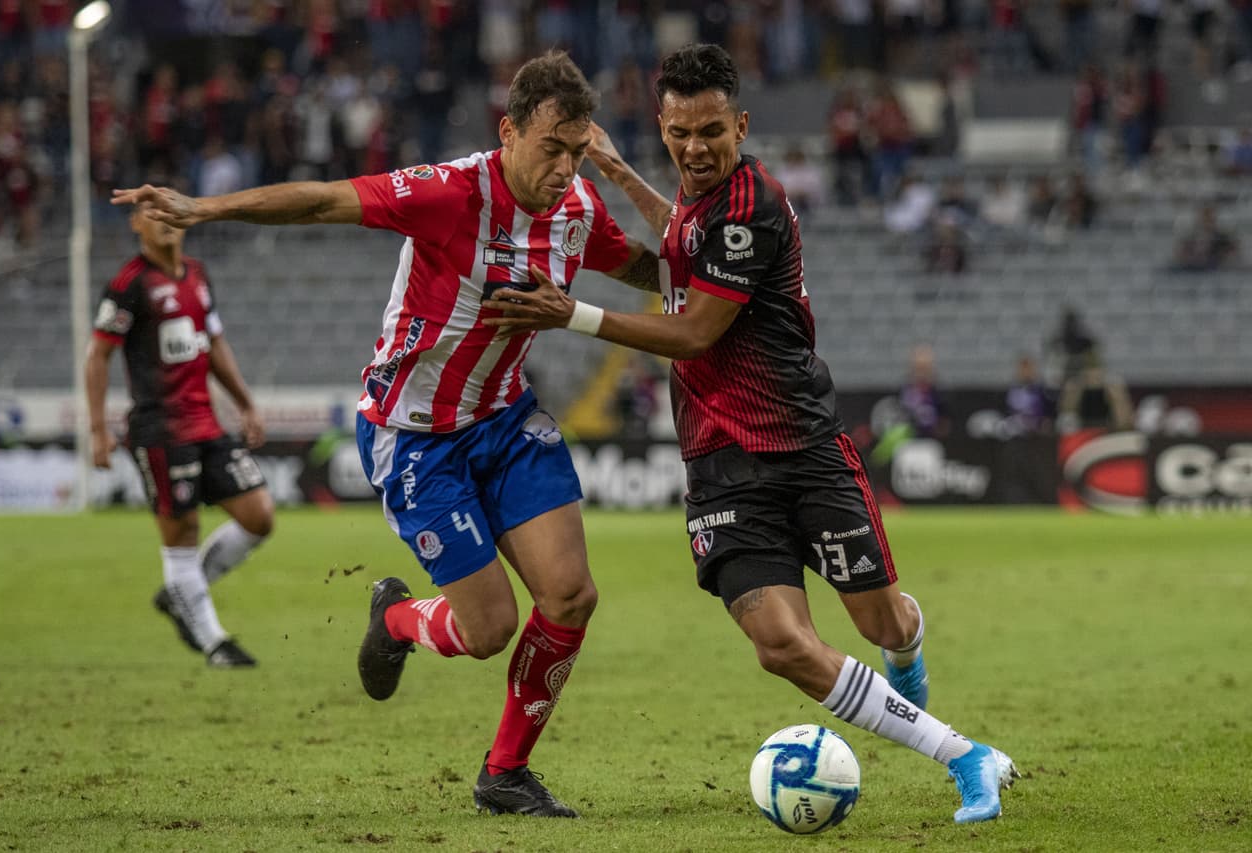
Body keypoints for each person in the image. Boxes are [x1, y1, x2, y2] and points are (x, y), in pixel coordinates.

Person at [112, 51, 659, 818]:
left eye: (576, 151)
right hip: (416, 437)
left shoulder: (577, 209)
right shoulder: (450, 192)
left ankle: (505, 773)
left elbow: (641, 264)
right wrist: (203, 209)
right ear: (508, 131)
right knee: (491, 627)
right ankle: (397, 618)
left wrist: (679, 252)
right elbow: (320, 202)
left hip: (504, 419)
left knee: (570, 595)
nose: (565, 168)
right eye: (550, 149)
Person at [482, 43, 1018, 824]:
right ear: (661, 124)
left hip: (803, 451)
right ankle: (966, 756)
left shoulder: (753, 202)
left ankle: (909, 643)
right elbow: (676, 247)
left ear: (740, 124)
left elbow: (697, 331)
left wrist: (576, 314)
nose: (694, 149)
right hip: (722, 471)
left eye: (710, 132)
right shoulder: (700, 204)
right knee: (782, 644)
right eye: (677, 133)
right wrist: (618, 171)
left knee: (881, 621)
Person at [85, 201, 275, 669]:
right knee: (182, 533)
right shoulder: (130, 285)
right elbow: (97, 357)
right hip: (160, 430)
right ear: (136, 224)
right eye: (151, 212)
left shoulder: (197, 274)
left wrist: (245, 403)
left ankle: (182, 594)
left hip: (206, 423)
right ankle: (214, 644)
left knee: (259, 515)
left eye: (170, 211)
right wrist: (97, 430)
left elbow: (213, 344)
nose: (164, 220)